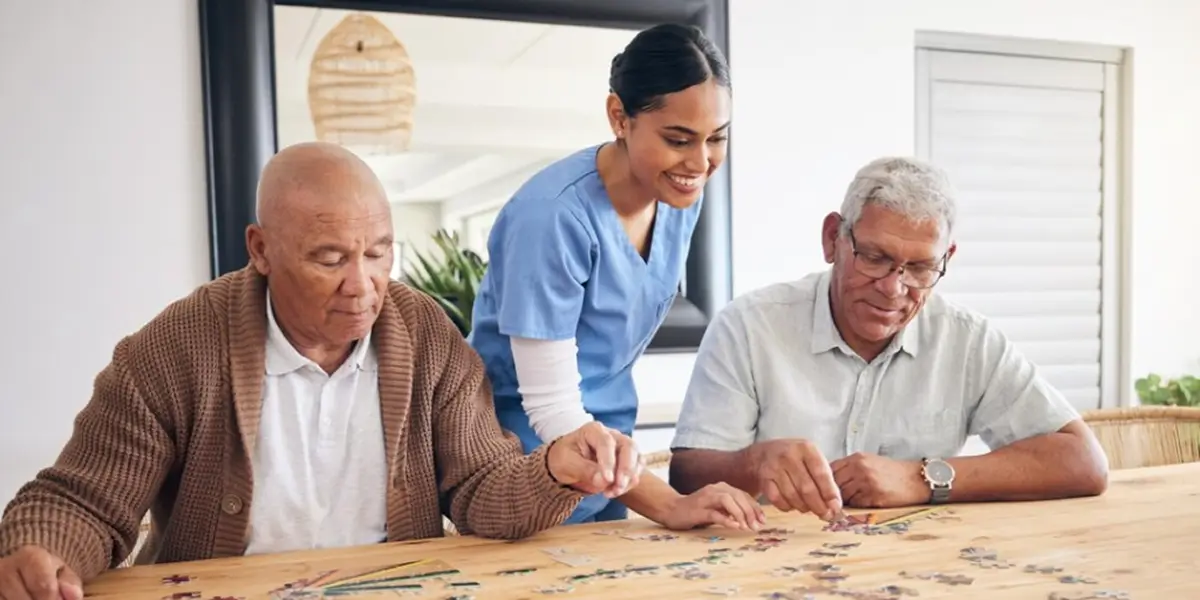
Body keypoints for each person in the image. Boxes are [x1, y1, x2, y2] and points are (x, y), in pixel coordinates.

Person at [0, 141, 722, 600]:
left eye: (378, 253)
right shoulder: (175, 348)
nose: (363, 285)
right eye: (329, 259)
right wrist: (39, 549)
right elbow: (83, 501)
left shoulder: (425, 335)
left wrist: (555, 471)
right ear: (260, 249)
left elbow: (481, 491)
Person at [668, 156, 1110, 518]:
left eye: (920, 268)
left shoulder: (967, 340)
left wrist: (922, 478)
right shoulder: (749, 326)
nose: (893, 288)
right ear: (833, 239)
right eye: (875, 257)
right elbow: (686, 477)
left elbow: (1083, 462)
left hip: (918, 567)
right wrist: (755, 462)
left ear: (946, 258)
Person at [467, 23, 748, 526]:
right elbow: (552, 408)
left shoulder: (677, 196)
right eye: (678, 139)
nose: (701, 162)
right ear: (619, 116)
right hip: (525, 469)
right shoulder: (551, 217)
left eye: (717, 138)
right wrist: (671, 505)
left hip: (613, 463)